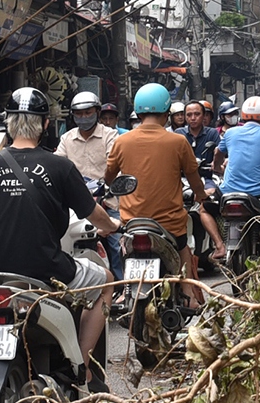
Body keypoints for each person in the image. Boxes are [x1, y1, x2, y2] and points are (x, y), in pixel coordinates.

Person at [0, 88, 119, 389]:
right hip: (45, 269)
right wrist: (112, 224)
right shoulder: (60, 167)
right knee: (106, 283)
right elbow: (93, 213)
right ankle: (81, 367)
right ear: (46, 125)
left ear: (8, 123)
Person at [105, 83, 209, 307]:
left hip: (133, 221)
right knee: (183, 246)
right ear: (166, 112)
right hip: (169, 223)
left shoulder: (122, 141)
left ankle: (125, 289)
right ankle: (188, 293)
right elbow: (193, 177)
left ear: (139, 112)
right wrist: (201, 196)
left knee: (122, 245)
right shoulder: (178, 141)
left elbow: (109, 178)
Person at [57, 91, 124, 303]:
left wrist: (106, 188)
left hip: (107, 201)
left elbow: (116, 166)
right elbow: (58, 166)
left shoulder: (110, 136)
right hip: (75, 206)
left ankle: (121, 287)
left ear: (97, 112)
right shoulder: (66, 139)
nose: (84, 117)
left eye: (88, 112)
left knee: (115, 241)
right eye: (79, 113)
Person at [176, 100, 226, 259]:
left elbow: (220, 156)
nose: (193, 118)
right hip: (181, 180)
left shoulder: (212, 134)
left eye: (197, 114)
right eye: (189, 115)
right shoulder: (179, 135)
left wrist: (217, 164)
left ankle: (219, 245)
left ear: (204, 116)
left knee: (207, 202)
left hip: (206, 178)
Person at [214, 96, 260, 207]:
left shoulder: (230, 132)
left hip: (227, 191)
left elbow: (218, 153)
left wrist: (217, 167)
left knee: (203, 209)